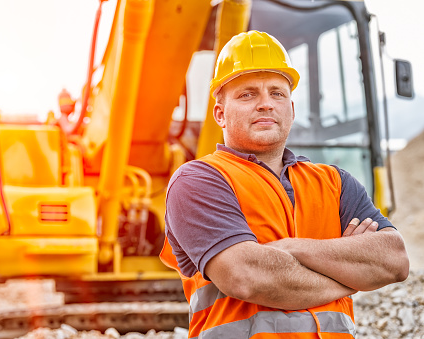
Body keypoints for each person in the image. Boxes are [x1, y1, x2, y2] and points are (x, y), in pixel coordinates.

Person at [160, 30, 409, 338]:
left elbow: (394, 261)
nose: (266, 104)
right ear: (220, 114)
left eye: (277, 93)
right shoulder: (198, 181)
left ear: (291, 109)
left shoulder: (335, 182)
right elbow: (246, 277)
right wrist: (353, 274)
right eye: (248, 94)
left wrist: (291, 249)